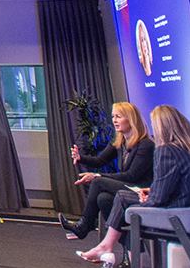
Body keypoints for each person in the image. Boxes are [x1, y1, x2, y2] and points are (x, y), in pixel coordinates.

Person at [76, 105, 190, 268]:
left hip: (179, 217)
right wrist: (150, 193)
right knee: (112, 198)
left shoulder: (166, 150)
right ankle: (114, 254)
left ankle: (112, 252)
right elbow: (186, 185)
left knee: (125, 201)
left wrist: (149, 199)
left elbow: (159, 198)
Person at [60, 101, 155, 240]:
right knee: (103, 199)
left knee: (98, 182)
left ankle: (84, 226)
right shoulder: (120, 141)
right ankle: (127, 252)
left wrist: (97, 175)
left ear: (131, 119)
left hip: (141, 190)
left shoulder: (145, 144)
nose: (114, 121)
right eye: (113, 116)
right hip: (129, 186)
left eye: (119, 117)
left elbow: (132, 176)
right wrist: (80, 158)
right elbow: (100, 160)